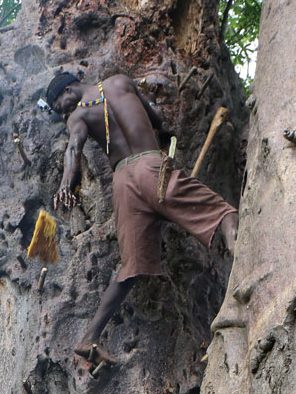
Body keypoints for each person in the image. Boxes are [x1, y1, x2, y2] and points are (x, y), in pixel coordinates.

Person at [48, 71, 238, 368]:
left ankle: (90, 336)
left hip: (123, 182)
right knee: (222, 213)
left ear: (69, 89)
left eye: (60, 103)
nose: (63, 111)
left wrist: (65, 185)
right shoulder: (121, 82)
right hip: (151, 166)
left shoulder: (78, 116)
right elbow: (157, 120)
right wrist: (159, 131)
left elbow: (74, 148)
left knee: (129, 268)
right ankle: (240, 256)